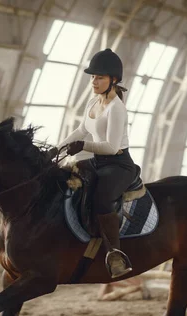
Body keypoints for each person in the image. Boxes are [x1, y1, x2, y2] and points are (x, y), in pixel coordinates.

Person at [52, 48, 137, 279]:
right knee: (64, 178)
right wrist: (57, 148)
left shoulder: (117, 109)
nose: (94, 81)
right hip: (99, 161)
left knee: (101, 198)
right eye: (92, 77)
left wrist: (83, 147)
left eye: (99, 77)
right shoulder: (93, 101)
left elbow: (111, 146)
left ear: (114, 80)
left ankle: (115, 254)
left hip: (119, 164)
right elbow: (82, 129)